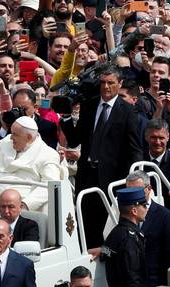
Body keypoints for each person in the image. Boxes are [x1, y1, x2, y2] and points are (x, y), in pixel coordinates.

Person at [59, 65, 142, 248]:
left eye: (111, 83)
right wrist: (66, 116)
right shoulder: (89, 105)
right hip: (86, 175)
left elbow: (134, 148)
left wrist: (134, 178)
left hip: (112, 178)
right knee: (84, 220)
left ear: (119, 84)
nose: (106, 87)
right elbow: (75, 139)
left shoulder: (128, 111)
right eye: (103, 82)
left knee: (107, 224)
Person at [125, 170, 170, 287]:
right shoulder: (124, 213)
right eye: (129, 191)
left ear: (149, 189)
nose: (132, 195)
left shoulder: (165, 216)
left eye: (137, 190)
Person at [102, 187, 150, 287]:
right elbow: (132, 278)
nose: (146, 208)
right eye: (144, 205)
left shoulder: (115, 233)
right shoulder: (129, 239)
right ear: (134, 210)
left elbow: (105, 253)